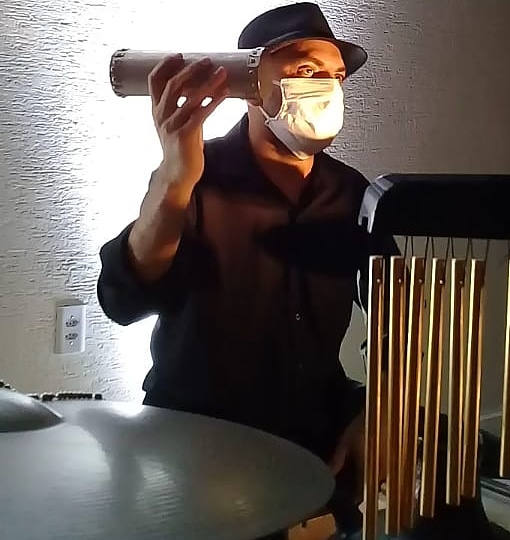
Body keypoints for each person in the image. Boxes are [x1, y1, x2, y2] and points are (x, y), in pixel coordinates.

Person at [97, 3, 396, 539]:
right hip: (197, 436)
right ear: (248, 83)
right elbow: (122, 299)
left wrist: (380, 409)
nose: (327, 88)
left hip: (313, 435)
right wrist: (175, 178)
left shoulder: (352, 194)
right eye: (306, 70)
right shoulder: (195, 176)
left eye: (334, 75)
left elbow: (403, 315)